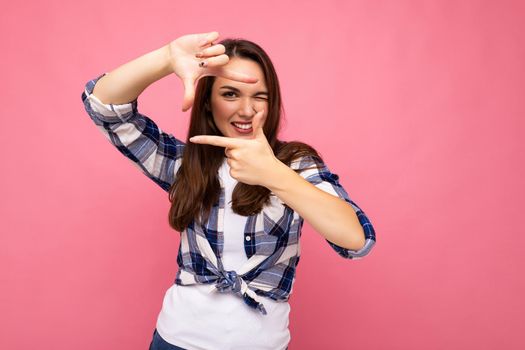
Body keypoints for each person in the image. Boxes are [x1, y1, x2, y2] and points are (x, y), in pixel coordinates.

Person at [81, 31, 377, 350]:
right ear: (208, 103)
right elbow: (105, 108)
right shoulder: (185, 165)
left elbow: (357, 240)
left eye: (259, 96)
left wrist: (275, 175)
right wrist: (167, 57)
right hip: (177, 340)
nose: (247, 110)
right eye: (231, 94)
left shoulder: (295, 164)